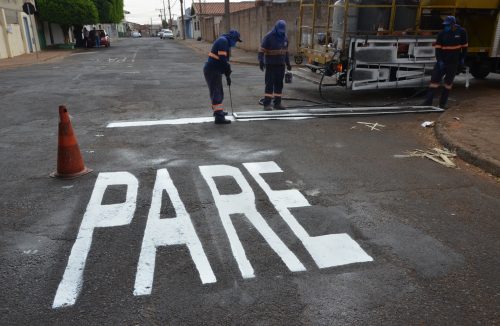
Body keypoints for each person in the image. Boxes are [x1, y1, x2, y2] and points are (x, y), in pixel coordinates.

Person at [423, 16, 468, 109]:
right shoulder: (441, 34)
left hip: (453, 62)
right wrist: (439, 61)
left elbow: (465, 47)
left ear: (453, 25)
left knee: (448, 84)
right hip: (442, 61)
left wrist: (462, 58)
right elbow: (438, 49)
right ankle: (427, 103)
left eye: (448, 25)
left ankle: (442, 104)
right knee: (434, 82)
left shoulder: (461, 32)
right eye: (445, 25)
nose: (446, 27)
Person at [203, 29, 242, 124]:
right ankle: (219, 117)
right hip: (212, 70)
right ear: (233, 38)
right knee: (216, 92)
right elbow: (223, 60)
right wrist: (227, 71)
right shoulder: (223, 41)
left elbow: (224, 62)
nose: (235, 43)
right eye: (236, 40)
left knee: (219, 91)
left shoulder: (225, 42)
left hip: (215, 69)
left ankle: (218, 111)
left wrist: (227, 74)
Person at [258, 20, 292, 111]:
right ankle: (267, 104)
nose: (281, 32)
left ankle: (277, 103)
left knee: (279, 84)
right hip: (271, 65)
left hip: (281, 65)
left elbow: (286, 52)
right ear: (276, 28)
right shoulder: (268, 37)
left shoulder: (285, 37)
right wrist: (261, 61)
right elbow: (261, 50)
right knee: (269, 84)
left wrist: (288, 63)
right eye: (280, 30)